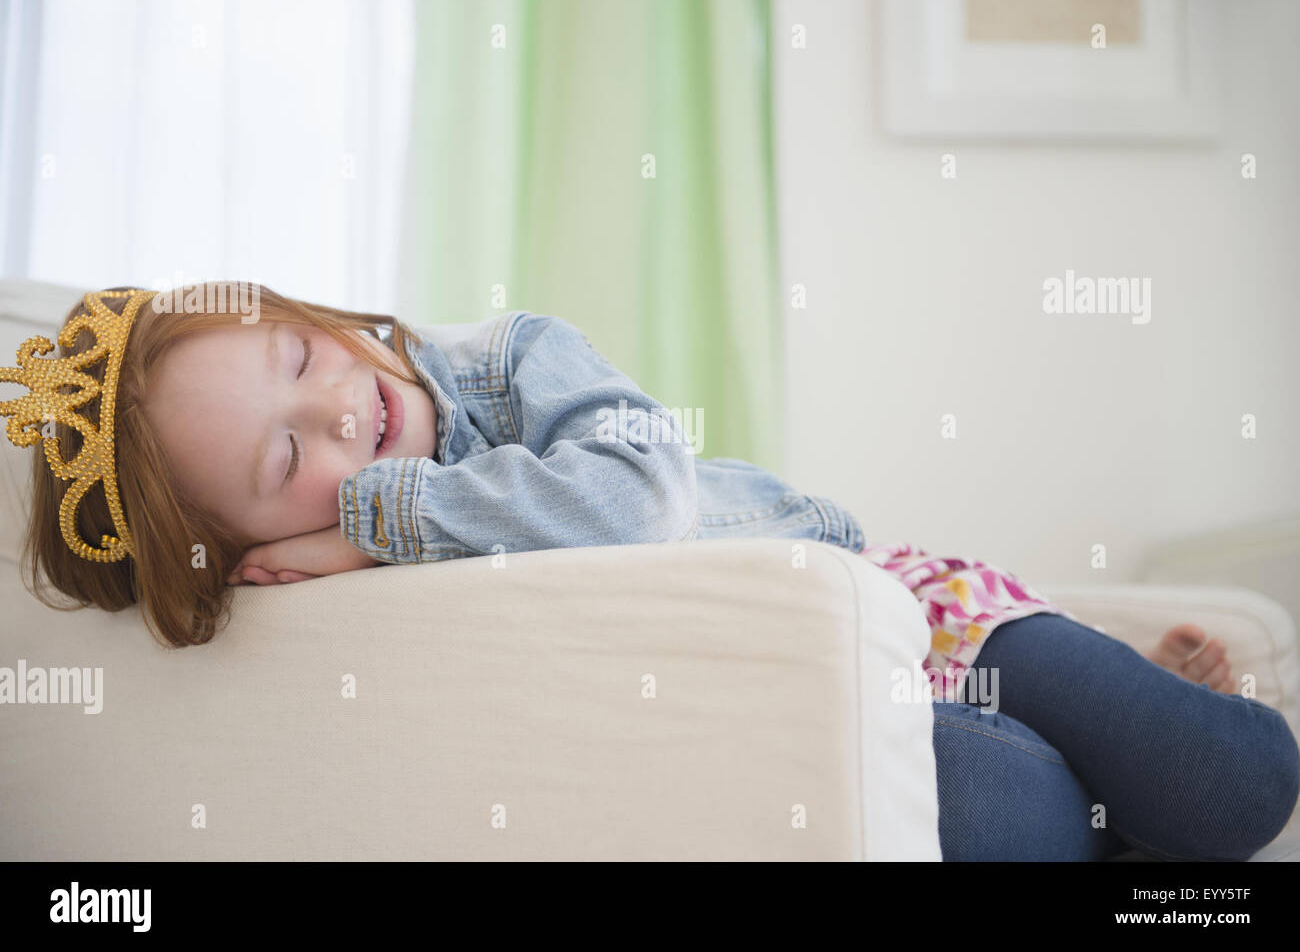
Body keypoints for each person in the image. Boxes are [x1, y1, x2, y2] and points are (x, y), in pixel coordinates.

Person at [5, 283, 1297, 860]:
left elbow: (641, 492)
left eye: (299, 359)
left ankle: (1142, 765)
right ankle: (1122, 813)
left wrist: (377, 516)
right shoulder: (332, 612)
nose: (338, 417)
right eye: (282, 455)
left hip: (904, 616)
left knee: (1238, 787)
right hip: (824, 734)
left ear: (312, 313)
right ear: (252, 554)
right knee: (1016, 820)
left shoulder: (511, 363)